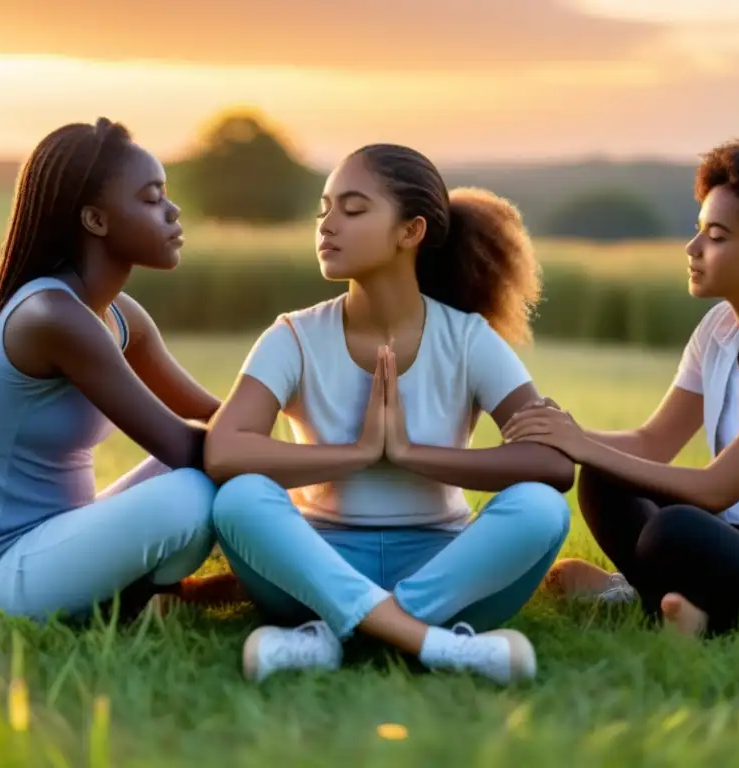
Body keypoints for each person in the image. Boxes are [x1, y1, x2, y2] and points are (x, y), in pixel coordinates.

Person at [205, 143, 575, 684]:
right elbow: (224, 449)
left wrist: (410, 455)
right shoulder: (295, 335)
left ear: (411, 232)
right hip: (313, 565)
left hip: (445, 567)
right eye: (323, 209)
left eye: (352, 210)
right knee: (239, 498)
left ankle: (330, 637)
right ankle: (435, 645)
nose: (327, 225)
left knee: (541, 509)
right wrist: (356, 454)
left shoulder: (468, 338)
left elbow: (552, 465)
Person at [504, 130, 739, 638]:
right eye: (699, 229)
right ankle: (673, 607)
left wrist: (580, 444)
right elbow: (651, 443)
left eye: (717, 237)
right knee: (606, 477)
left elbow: (716, 488)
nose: (693, 248)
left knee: (675, 531)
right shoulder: (722, 328)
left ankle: (649, 601)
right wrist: (561, 435)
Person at [0, 118, 238, 623]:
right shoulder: (51, 317)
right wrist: (325, 467)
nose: (173, 210)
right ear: (96, 220)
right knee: (191, 490)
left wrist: (331, 444)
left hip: (63, 540)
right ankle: (148, 602)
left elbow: (219, 418)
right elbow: (183, 446)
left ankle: (158, 598)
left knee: (215, 453)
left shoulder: (119, 315)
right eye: (151, 198)